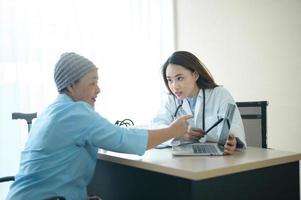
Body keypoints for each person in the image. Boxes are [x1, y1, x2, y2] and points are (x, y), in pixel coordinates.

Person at [6, 52, 192, 200]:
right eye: (92, 83)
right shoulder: (75, 113)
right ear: (71, 86)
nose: (98, 89)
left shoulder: (52, 111)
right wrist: (172, 131)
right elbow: (124, 139)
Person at [151, 51, 246, 154]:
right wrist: (176, 134)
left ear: (195, 75)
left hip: (215, 160)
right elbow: (155, 128)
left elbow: (233, 129)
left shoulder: (220, 95)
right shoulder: (171, 100)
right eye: (170, 80)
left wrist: (232, 142)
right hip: (182, 161)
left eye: (180, 78)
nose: (174, 86)